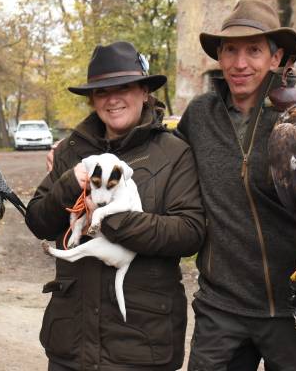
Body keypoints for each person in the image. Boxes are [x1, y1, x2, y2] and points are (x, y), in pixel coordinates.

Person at [177, 0, 296, 370]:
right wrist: (89, 153)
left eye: (254, 51)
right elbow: (161, 162)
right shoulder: (198, 116)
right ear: (219, 57)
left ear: (276, 59)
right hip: (220, 309)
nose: (240, 64)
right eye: (230, 50)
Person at [26, 41, 206, 371]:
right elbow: (38, 221)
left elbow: (189, 232)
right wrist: (69, 183)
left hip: (140, 341)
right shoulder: (70, 150)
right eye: (101, 91)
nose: (112, 99)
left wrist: (110, 221)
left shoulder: (174, 153)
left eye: (123, 87)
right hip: (72, 343)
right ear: (92, 100)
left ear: (143, 91)